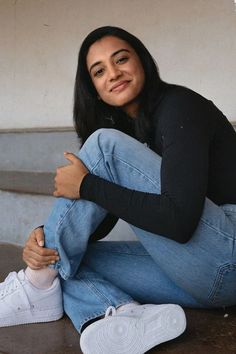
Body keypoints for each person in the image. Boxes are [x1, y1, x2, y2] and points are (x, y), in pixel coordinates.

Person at [1, 25, 236, 354]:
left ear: (142, 61)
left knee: (103, 146)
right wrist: (43, 239)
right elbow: (100, 221)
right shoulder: (133, 130)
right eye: (99, 71)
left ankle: (34, 282)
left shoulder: (181, 107)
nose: (113, 73)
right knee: (71, 259)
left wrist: (87, 185)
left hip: (228, 256)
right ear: (94, 89)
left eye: (121, 59)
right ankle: (118, 315)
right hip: (202, 278)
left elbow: (179, 222)